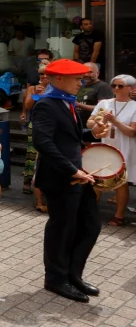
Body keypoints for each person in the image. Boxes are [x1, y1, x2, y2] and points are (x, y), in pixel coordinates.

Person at [32, 59, 109, 303]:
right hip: (61, 178)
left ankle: (73, 275)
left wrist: (93, 134)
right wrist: (71, 170)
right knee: (62, 229)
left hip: (78, 174)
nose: (81, 82)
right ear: (59, 80)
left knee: (90, 225)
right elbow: (43, 143)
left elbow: (70, 138)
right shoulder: (47, 104)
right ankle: (55, 279)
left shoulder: (66, 103)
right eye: (77, 79)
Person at [87, 74, 136, 225]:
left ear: (131, 89)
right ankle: (91, 212)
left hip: (125, 146)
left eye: (120, 86)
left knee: (121, 182)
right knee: (96, 179)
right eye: (113, 85)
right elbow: (90, 122)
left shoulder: (134, 106)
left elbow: (131, 132)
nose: (115, 88)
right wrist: (98, 124)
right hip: (106, 144)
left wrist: (114, 121)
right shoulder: (105, 103)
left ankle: (119, 215)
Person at [22, 63, 50, 209]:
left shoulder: (56, 88)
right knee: (32, 154)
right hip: (36, 124)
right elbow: (27, 106)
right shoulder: (33, 88)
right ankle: (27, 182)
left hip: (51, 127)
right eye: (41, 74)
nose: (44, 77)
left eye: (46, 74)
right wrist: (36, 95)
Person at [76, 62, 113, 126]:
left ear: (98, 73)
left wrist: (79, 105)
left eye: (90, 72)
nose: (86, 74)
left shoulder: (103, 86)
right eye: (84, 72)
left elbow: (102, 109)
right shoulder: (81, 85)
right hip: (78, 125)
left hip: (92, 126)